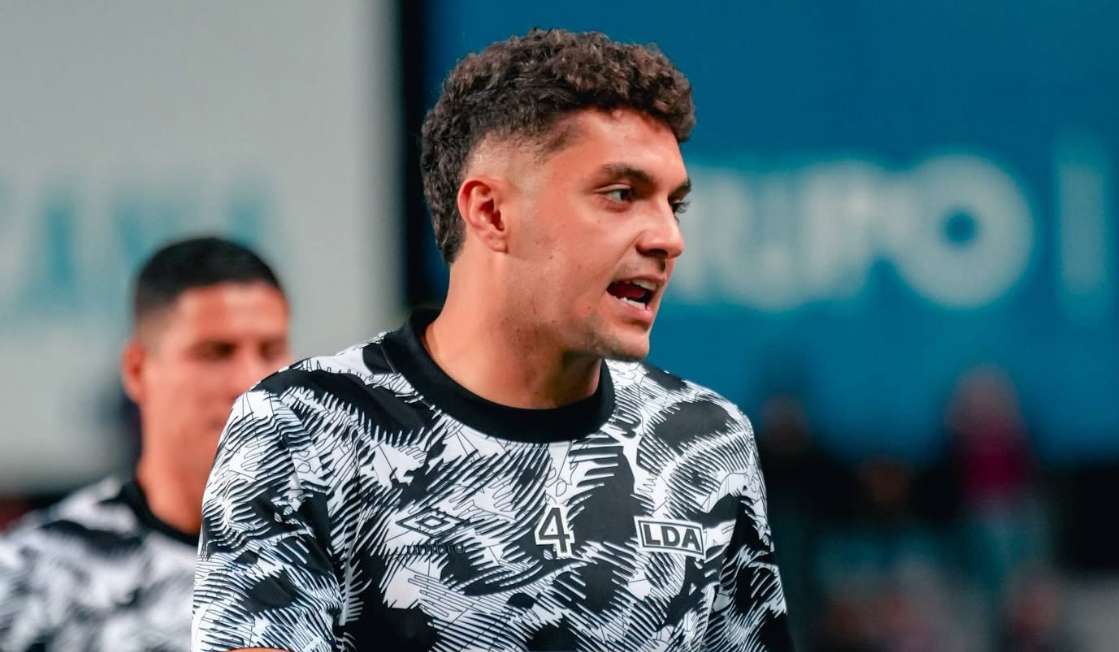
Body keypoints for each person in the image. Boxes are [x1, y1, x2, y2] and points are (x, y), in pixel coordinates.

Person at [192, 28, 792, 652]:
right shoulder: (302, 428)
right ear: (491, 213)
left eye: (674, 205)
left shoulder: (707, 441)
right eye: (622, 194)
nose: (669, 238)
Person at [0, 236, 292, 652]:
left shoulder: (360, 559)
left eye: (270, 350)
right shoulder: (35, 575)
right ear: (137, 370)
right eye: (215, 353)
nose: (250, 382)